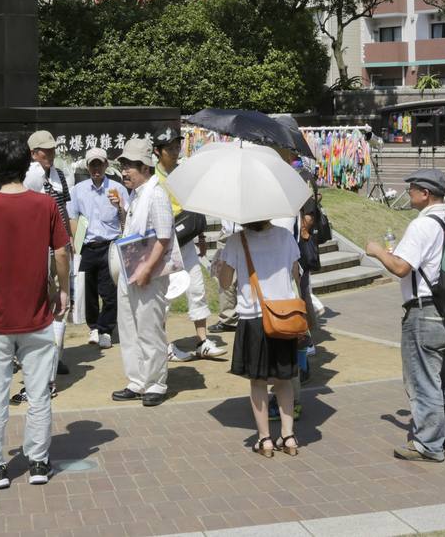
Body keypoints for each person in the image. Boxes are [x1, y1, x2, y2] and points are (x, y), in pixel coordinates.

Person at [0, 134, 71, 489]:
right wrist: (63, 288)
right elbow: (63, 252)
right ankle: (38, 462)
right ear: (29, 165)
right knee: (39, 392)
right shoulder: (45, 205)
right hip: (37, 314)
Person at [365, 169, 445, 462]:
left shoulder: (422, 225)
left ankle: (428, 444)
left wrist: (377, 251)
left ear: (425, 194)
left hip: (424, 313)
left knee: (423, 381)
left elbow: (401, 267)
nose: (408, 192)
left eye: (412, 188)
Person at [213, 215, 303, 457]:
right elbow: (296, 273)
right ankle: (289, 436)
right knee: (284, 380)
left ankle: (265, 439)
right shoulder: (285, 237)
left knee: (258, 382)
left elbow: (225, 283)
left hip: (253, 318)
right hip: (283, 315)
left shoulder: (235, 241)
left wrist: (219, 265)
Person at [109, 138, 175, 407]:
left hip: (147, 274)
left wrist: (148, 269)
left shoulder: (157, 194)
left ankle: (156, 383)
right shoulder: (137, 194)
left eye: (130, 166)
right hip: (129, 271)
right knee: (128, 327)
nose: (124, 171)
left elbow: (163, 237)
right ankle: (137, 381)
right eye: (123, 165)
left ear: (145, 167)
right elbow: (133, 230)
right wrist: (121, 212)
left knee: (148, 328)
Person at [155, 127, 226, 362]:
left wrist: (202, 237)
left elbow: (193, 204)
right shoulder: (154, 179)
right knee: (165, 294)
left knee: (197, 287)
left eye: (177, 147)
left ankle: (202, 340)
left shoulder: (182, 173)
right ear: (158, 151)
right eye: (170, 148)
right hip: (164, 244)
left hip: (185, 240)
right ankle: (162, 344)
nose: (175, 152)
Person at [24, 130, 73, 378]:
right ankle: (34, 354)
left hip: (60, 247)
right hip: (36, 248)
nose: (51, 155)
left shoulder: (60, 175)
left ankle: (57, 354)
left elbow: (64, 208)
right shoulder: (27, 178)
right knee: (37, 297)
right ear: (34, 153)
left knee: (62, 298)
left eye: (53, 150)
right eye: (46, 151)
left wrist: (69, 237)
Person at [67, 147, 125, 349]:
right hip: (87, 246)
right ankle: (93, 327)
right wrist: (76, 244)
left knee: (110, 291)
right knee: (88, 289)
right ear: (88, 166)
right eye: (92, 164)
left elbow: (126, 221)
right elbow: (73, 218)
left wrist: (120, 207)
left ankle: (107, 330)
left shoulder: (118, 189)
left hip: (110, 247)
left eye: (99, 163)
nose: (96, 168)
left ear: (106, 165)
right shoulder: (78, 190)